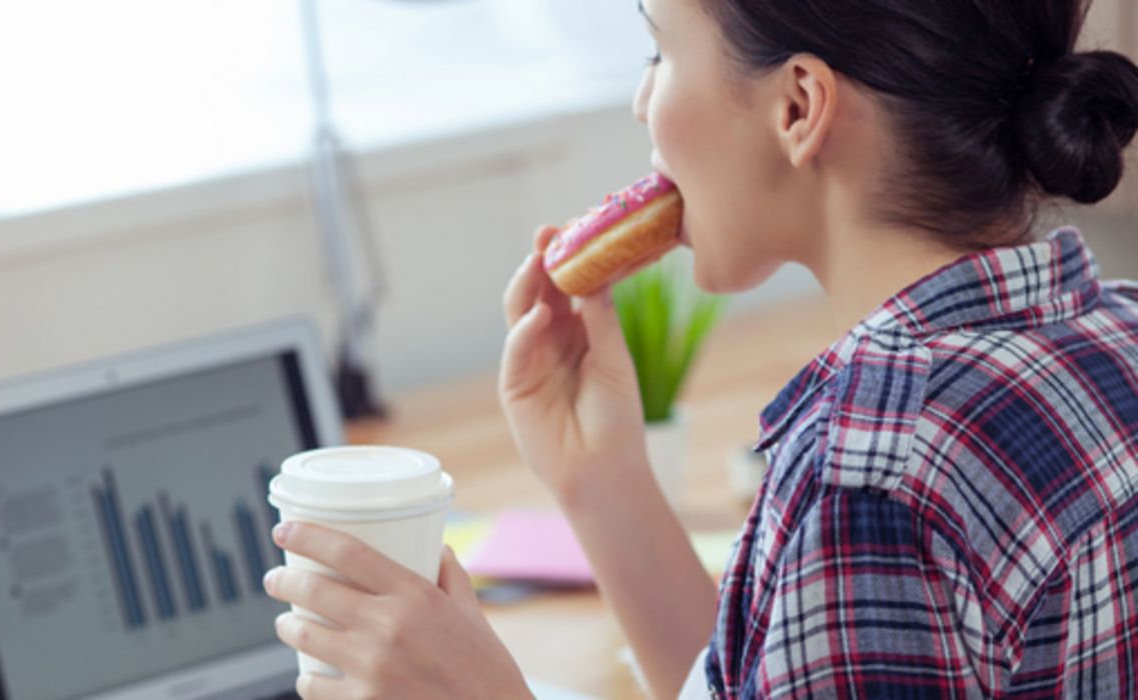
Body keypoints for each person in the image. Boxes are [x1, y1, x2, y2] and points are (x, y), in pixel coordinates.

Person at [261, 0, 1138, 696]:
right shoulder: (1117, 337)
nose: (643, 101)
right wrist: (601, 482)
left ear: (797, 106)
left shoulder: (868, 475)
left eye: (659, 52)